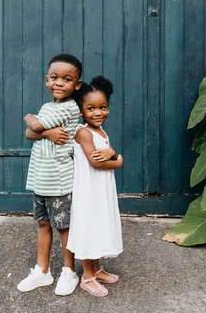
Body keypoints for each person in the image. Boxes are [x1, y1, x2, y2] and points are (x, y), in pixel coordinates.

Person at [17, 54, 82, 296]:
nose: (59, 83)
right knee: (43, 224)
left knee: (64, 227)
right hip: (41, 179)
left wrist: (29, 118)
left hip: (59, 180)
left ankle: (69, 271)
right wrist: (46, 132)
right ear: (47, 80)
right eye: (54, 78)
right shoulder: (49, 107)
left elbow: (33, 127)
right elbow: (31, 134)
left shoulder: (69, 107)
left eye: (67, 79)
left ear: (76, 85)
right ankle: (42, 271)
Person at [67, 76, 123, 297]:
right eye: (91, 108)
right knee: (89, 228)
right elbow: (96, 162)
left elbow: (108, 153)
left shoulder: (101, 131)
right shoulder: (83, 132)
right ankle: (87, 276)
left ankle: (96, 269)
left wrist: (112, 154)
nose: (98, 112)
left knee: (99, 225)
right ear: (81, 110)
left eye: (103, 107)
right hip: (89, 191)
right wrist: (118, 159)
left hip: (102, 190)